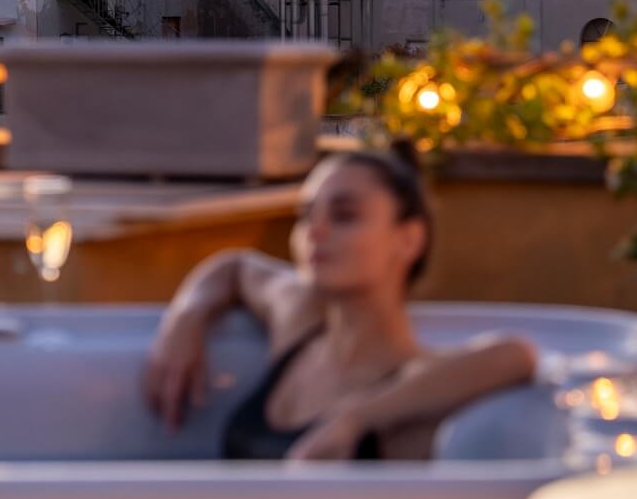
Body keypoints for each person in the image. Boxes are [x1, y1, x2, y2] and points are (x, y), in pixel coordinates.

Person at [144, 143, 536, 461]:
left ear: (409, 240)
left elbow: (517, 356)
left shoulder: (413, 384)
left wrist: (355, 417)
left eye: (344, 216)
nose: (314, 232)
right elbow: (234, 268)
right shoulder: (299, 321)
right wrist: (185, 319)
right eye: (306, 215)